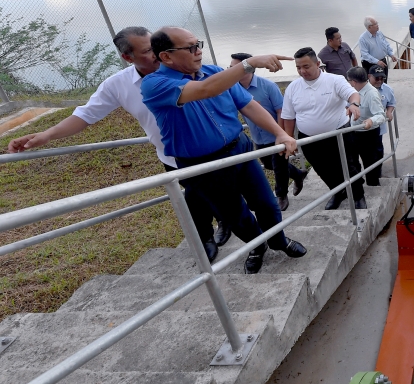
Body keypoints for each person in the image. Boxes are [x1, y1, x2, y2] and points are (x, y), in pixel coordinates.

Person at [6, 26, 229, 263]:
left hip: (214, 147)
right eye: (147, 51)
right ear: (127, 57)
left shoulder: (187, 68)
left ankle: (227, 219)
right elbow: (85, 115)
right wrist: (47, 134)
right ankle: (205, 237)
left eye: (156, 46)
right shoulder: (118, 85)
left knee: (223, 190)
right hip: (173, 156)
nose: (157, 53)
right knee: (194, 196)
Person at [141, 27, 306, 274]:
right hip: (202, 164)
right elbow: (206, 90)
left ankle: (279, 240)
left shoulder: (216, 73)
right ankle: (257, 246)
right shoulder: (155, 84)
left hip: (239, 149)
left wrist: (280, 133)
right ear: (166, 57)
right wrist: (249, 63)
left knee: (266, 202)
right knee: (234, 214)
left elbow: (249, 105)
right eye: (191, 47)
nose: (198, 52)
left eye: (199, 44)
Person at [280, 47, 366, 210]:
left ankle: (358, 195)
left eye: (306, 66)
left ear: (318, 64)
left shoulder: (335, 80)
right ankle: (337, 192)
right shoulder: (293, 88)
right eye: (298, 67)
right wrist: (289, 138)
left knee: (348, 166)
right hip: (310, 139)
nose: (302, 71)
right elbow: (288, 117)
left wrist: (354, 104)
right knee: (323, 170)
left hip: (338, 134)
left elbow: (352, 94)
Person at [230, 53, 307, 212]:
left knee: (279, 167)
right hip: (258, 137)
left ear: (248, 69)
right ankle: (298, 174)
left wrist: (281, 133)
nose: (231, 70)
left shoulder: (268, 86)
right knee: (269, 165)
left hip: (275, 135)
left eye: (234, 67)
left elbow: (281, 111)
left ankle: (281, 195)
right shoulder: (233, 90)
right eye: (230, 68)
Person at [346, 66, 386, 187]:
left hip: (369, 135)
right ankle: (358, 184)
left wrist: (370, 121)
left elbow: (381, 115)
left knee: (371, 163)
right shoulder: (352, 92)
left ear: (353, 81)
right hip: (354, 132)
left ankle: (373, 185)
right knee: (352, 160)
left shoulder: (371, 94)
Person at [357, 16, 397, 83]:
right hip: (370, 64)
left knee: (384, 82)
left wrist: (391, 54)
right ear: (369, 27)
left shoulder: (379, 33)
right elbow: (365, 54)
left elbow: (386, 44)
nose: (377, 25)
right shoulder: (362, 39)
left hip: (382, 62)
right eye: (375, 24)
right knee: (373, 84)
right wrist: (377, 62)